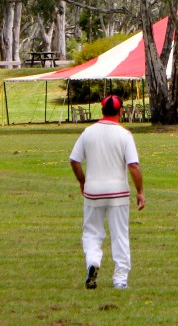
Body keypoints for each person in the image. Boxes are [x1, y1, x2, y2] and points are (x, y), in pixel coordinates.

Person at [69, 93, 145, 291]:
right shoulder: (124, 135)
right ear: (120, 111)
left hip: (93, 191)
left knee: (92, 232)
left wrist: (82, 181)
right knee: (120, 235)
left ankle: (93, 261)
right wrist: (140, 191)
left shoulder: (88, 132)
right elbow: (134, 166)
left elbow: (74, 160)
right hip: (118, 192)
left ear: (101, 110)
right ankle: (120, 278)